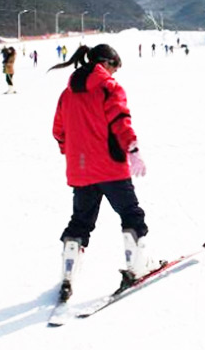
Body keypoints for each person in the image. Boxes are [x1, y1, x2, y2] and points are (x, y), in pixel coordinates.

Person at [49, 44, 157, 303]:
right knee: (131, 214)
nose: (114, 74)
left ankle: (68, 274)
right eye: (114, 68)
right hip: (111, 167)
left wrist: (74, 153)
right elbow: (120, 121)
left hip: (81, 169)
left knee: (80, 222)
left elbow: (59, 131)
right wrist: (132, 148)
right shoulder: (109, 88)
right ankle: (137, 265)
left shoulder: (67, 93)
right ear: (106, 63)